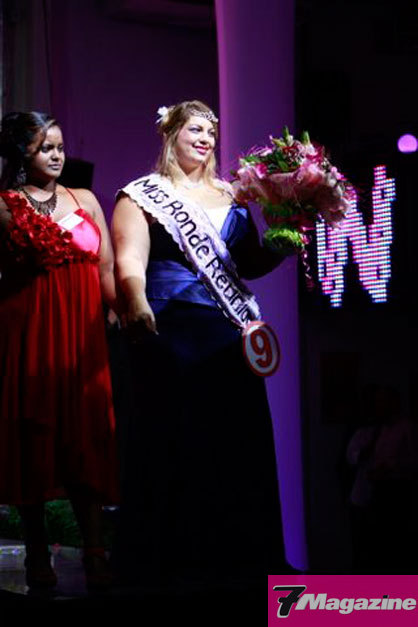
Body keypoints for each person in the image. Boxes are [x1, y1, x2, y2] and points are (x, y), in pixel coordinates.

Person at [111, 100, 292, 585]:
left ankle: (238, 559)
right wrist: (135, 300)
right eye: (195, 129)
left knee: (233, 443)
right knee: (175, 439)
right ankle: (170, 561)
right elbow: (129, 258)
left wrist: (283, 241)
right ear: (171, 133)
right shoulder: (142, 194)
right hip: (169, 328)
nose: (206, 139)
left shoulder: (233, 196)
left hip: (228, 333)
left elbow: (248, 264)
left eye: (211, 131)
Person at [0, 112, 119, 589]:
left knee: (86, 435)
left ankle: (96, 551)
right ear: (21, 153)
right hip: (29, 335)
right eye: (44, 147)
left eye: (60, 146)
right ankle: (36, 554)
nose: (56, 155)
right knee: (34, 436)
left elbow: (107, 267)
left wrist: (123, 311)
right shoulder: (3, 204)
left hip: (83, 338)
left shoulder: (84, 199)